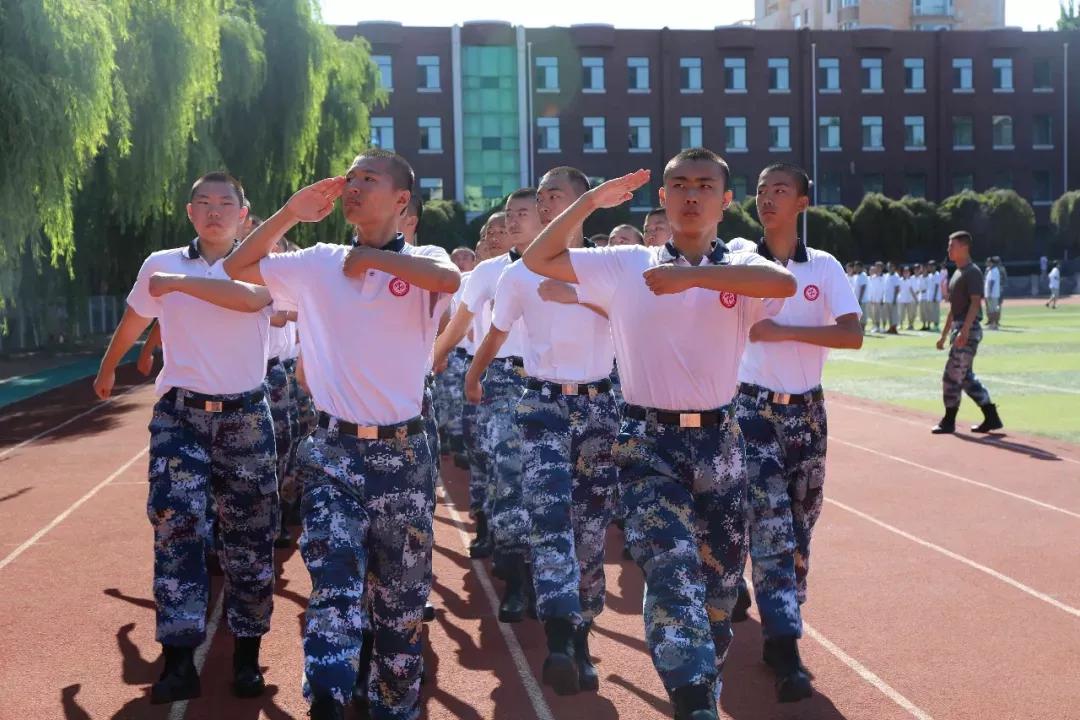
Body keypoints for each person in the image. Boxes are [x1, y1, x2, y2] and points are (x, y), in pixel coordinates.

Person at [523, 148, 796, 720]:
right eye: (678, 185)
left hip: (721, 444)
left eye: (704, 185)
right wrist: (589, 202)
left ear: (725, 200)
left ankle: (699, 681)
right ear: (663, 199)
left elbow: (782, 283)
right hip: (647, 444)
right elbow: (539, 255)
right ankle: (694, 700)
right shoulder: (626, 264)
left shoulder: (741, 263)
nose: (690, 195)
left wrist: (693, 276)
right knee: (671, 571)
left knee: (719, 594)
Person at [222, 149, 460, 720]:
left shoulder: (424, 258)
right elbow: (237, 267)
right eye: (349, 180)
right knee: (332, 582)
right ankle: (327, 697)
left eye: (368, 180)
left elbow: (448, 278)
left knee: (399, 602)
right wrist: (289, 214)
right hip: (332, 452)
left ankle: (392, 704)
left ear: (401, 200)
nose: (353, 187)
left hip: (403, 454)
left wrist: (374, 263)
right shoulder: (318, 260)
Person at [92, 172, 277, 704]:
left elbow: (250, 301)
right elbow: (134, 318)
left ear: (245, 213)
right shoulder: (161, 262)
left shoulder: (267, 265)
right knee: (177, 529)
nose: (215, 211)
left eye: (226, 203)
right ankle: (177, 661)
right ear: (190, 212)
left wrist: (181, 287)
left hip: (245, 417)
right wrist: (109, 367)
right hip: (181, 416)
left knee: (249, 539)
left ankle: (248, 656)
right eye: (204, 203)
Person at [466, 167, 618, 696]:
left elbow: (636, 315)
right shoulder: (518, 273)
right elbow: (496, 332)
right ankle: (558, 636)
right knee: (549, 515)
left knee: (590, 528)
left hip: (599, 407)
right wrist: (470, 372)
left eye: (560, 193)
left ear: (585, 203)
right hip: (543, 403)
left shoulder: (612, 266)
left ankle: (581, 634)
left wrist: (580, 296)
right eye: (545, 194)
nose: (550, 201)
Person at [734, 163, 862, 702]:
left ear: (803, 202)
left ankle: (773, 597)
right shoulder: (741, 261)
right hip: (752, 410)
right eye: (761, 191)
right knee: (771, 521)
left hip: (807, 412)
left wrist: (782, 330)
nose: (767, 199)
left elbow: (852, 335)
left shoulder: (825, 267)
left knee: (801, 521)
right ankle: (784, 641)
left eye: (779, 190)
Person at [434, 195, 535, 622]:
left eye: (520, 215)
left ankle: (565, 604)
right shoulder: (487, 273)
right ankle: (516, 580)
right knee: (507, 479)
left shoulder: (575, 266)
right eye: (505, 217)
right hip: (505, 384)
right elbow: (457, 327)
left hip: (566, 390)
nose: (509, 224)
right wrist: (429, 363)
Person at [931, 231, 1003, 436]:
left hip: (968, 330)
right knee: (964, 377)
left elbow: (974, 303)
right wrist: (944, 335)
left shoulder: (972, 272)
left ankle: (949, 420)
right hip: (960, 328)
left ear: (964, 247)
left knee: (951, 376)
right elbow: (953, 310)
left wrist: (964, 331)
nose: (949, 249)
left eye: (952, 245)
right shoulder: (957, 273)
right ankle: (991, 415)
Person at [983, 257, 1002, 330]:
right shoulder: (990, 270)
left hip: (992, 294)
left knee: (993, 309)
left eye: (988, 262)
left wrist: (990, 293)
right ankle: (992, 324)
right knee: (991, 309)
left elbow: (992, 282)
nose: (987, 263)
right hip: (990, 294)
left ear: (992, 263)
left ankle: (994, 324)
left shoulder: (994, 271)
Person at [898, 265, 918, 331]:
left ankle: (910, 325)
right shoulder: (900, 280)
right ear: (902, 273)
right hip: (901, 300)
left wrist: (915, 299)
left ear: (909, 273)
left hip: (909, 300)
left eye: (907, 272)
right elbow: (898, 290)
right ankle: (900, 325)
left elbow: (912, 290)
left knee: (911, 314)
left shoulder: (910, 280)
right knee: (901, 314)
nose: (906, 273)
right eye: (904, 272)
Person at [885, 261, 901, 334]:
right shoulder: (887, 275)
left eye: (891, 266)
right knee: (889, 314)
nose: (889, 268)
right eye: (888, 266)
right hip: (887, 299)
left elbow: (897, 288)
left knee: (894, 314)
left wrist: (894, 299)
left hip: (893, 299)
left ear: (894, 267)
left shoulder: (896, 276)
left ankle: (894, 328)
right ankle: (891, 327)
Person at [852, 261, 869, 331]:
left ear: (861, 268)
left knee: (863, 315)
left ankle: (863, 329)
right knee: (857, 315)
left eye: (857, 267)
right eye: (855, 266)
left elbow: (863, 287)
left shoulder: (863, 275)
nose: (856, 268)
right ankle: (859, 329)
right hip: (857, 299)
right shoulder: (856, 276)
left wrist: (860, 299)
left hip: (862, 300)